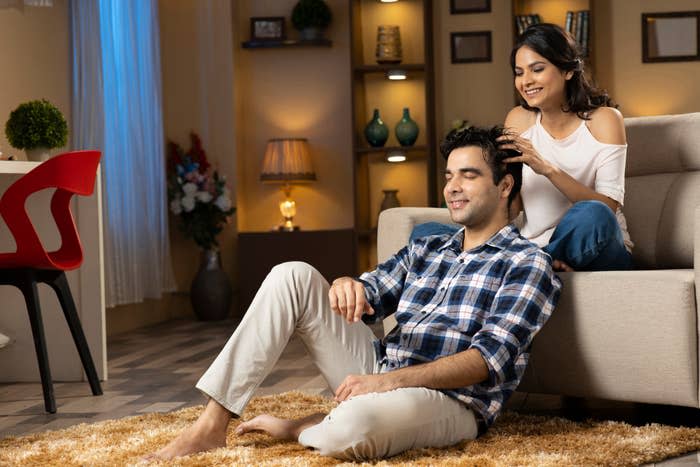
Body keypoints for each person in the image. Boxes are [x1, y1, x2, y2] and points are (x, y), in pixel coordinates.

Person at [148, 126, 561, 462]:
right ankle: (211, 425)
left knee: (346, 434)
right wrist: (351, 285)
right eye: (449, 175)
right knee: (292, 274)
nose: (452, 187)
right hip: (379, 369)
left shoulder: (528, 263)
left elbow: (486, 361)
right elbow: (372, 292)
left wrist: (387, 384)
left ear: (505, 185)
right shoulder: (429, 246)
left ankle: (304, 426)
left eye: (468, 175)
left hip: (451, 401)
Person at [416, 24, 633, 272]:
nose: (525, 81)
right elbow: (513, 205)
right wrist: (475, 192)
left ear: (567, 71)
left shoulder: (605, 120)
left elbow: (608, 207)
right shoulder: (518, 119)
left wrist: (548, 169)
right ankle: (534, 263)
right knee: (425, 233)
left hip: (597, 245)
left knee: (594, 214)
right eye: (519, 73)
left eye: (537, 69)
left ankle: (520, 264)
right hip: (531, 246)